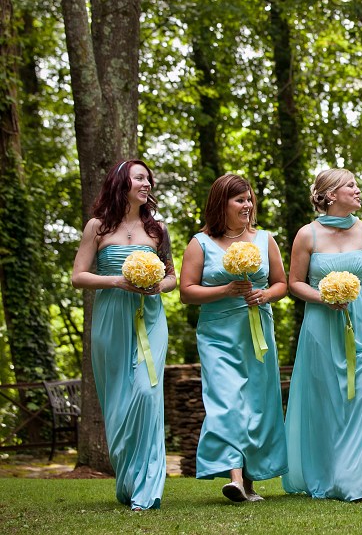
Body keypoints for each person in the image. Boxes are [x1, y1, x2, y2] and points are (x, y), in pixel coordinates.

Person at [282, 168, 362, 503]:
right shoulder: (307, 235)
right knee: (330, 403)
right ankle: (332, 474)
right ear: (330, 194)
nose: (357, 189)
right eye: (350, 185)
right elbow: (295, 283)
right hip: (322, 328)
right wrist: (323, 296)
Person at [72, 159, 175, 511]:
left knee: (147, 394)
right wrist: (117, 280)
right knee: (117, 402)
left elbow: (172, 277)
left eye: (149, 178)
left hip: (150, 317)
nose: (147, 184)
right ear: (121, 184)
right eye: (140, 178)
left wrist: (157, 284)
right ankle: (129, 480)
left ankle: (148, 489)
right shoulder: (97, 227)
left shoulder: (158, 230)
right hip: (111, 319)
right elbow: (78, 276)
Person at [180, 174, 288, 502]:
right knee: (225, 402)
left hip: (257, 331)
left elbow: (281, 283)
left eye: (249, 198)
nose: (247, 205)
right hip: (217, 334)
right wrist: (225, 290)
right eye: (239, 200)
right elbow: (187, 292)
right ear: (221, 204)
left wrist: (265, 296)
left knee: (257, 404)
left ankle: (250, 479)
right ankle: (235, 477)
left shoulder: (265, 239)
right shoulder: (200, 243)